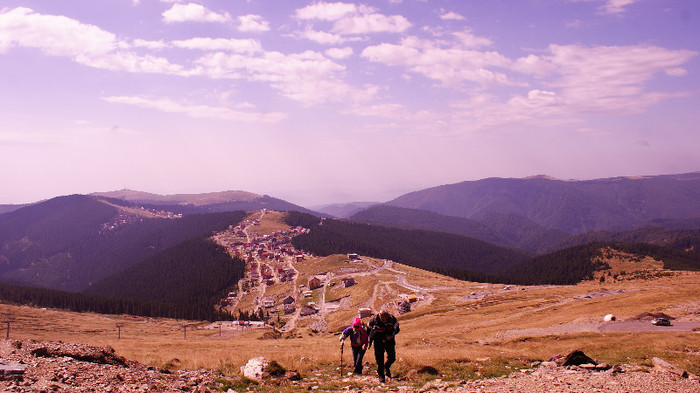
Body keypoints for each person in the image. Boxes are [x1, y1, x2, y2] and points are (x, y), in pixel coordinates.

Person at [368, 309, 400, 383]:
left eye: (385, 318)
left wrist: (391, 335)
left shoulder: (392, 320)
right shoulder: (373, 321)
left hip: (389, 341)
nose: (384, 319)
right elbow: (368, 330)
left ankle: (387, 367)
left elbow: (397, 329)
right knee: (379, 359)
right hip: (378, 341)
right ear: (379, 316)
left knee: (392, 357)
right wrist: (370, 339)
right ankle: (381, 376)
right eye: (383, 318)